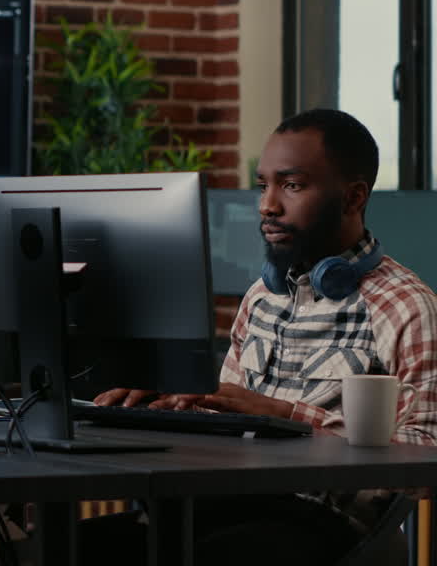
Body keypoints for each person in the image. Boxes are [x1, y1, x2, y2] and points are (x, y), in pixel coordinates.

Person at [86, 108, 437, 565]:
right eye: (263, 185)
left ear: (352, 198)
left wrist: (286, 416)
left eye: (291, 185)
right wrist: (173, 405)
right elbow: (228, 428)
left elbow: (426, 460)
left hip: (320, 527)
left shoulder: (408, 307)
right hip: (226, 506)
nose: (267, 205)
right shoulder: (261, 298)